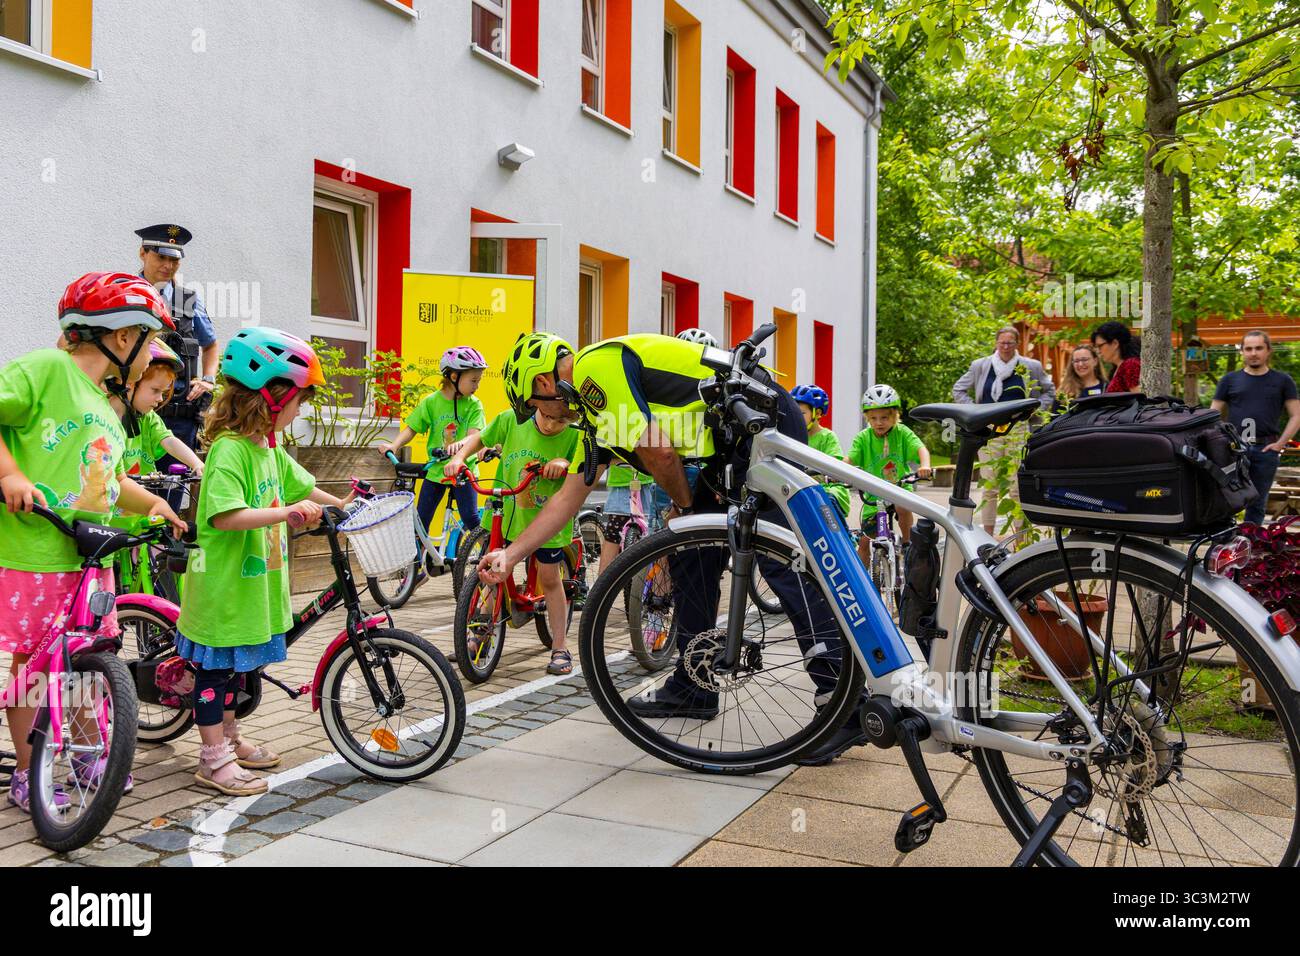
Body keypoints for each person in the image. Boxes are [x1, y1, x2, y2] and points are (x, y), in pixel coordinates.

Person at [478, 331, 865, 765]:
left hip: (759, 417)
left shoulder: (595, 371)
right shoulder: (594, 417)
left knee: (780, 564)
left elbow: (659, 452)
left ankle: (843, 701)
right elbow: (566, 501)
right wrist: (510, 557)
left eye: (533, 403)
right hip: (728, 443)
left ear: (544, 383)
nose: (540, 414)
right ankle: (693, 685)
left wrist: (683, 508)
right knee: (692, 560)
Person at [0, 272, 187, 812]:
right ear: (123, 338)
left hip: (90, 559)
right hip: (35, 555)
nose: (152, 351)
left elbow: (111, 479)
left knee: (88, 660)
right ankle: (27, 769)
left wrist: (149, 502)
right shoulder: (47, 368)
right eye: (149, 339)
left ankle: (85, 754)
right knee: (33, 670)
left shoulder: (107, 406)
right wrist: (11, 474)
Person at [175, 328, 354, 796]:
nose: (301, 411)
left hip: (253, 587)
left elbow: (302, 486)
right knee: (215, 674)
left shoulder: (267, 446)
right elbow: (228, 515)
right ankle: (211, 759)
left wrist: (343, 505)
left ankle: (229, 738)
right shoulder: (231, 450)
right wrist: (287, 514)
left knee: (239, 671)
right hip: (224, 590)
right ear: (272, 398)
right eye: (298, 401)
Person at [445, 406, 580, 675]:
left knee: (550, 579)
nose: (552, 425)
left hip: (547, 521)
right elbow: (481, 438)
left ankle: (560, 646)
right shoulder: (510, 420)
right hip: (507, 512)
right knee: (489, 573)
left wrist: (564, 464)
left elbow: (580, 466)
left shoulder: (574, 435)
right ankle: (479, 634)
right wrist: (460, 457)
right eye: (548, 416)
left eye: (561, 420)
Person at [379, 347, 487, 550]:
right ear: (454, 376)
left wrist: (460, 445)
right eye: (473, 381)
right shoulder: (431, 402)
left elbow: (474, 437)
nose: (477, 386)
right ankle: (417, 568)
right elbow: (412, 428)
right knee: (420, 522)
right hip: (436, 470)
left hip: (464, 470)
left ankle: (490, 554)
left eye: (478, 380)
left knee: (471, 518)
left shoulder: (474, 405)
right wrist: (394, 445)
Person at [952, 326, 1055, 533]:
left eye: (1010, 343)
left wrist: (1036, 409)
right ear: (996, 343)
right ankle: (988, 537)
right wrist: (975, 411)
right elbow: (959, 389)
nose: (1006, 347)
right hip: (989, 429)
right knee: (990, 486)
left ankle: (1021, 539)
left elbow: (1049, 390)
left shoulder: (1030, 366)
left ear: (1017, 344)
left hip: (1018, 429)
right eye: (1002, 343)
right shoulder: (981, 365)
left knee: (1017, 487)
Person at [135, 225, 220, 468]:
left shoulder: (189, 301)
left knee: (173, 490)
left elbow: (211, 345)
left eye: (174, 259)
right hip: (135, 413)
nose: (168, 265)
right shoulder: (128, 293)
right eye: (160, 256)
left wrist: (208, 380)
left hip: (179, 416)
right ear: (143, 253)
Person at [1212, 330, 1300, 525]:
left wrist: (1280, 444)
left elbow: (1296, 415)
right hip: (1233, 449)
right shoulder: (1229, 380)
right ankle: (1225, 548)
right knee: (1226, 501)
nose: (1253, 353)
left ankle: (1252, 548)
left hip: (1266, 450)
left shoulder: (1283, 381)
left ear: (1268, 351)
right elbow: (1213, 414)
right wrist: (1221, 442)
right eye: (1248, 348)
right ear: (1242, 352)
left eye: (1258, 348)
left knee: (1257, 503)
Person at [850, 385, 932, 566]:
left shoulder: (902, 433)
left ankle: (907, 544)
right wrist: (835, 471)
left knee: (902, 506)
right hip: (873, 493)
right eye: (873, 418)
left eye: (884, 417)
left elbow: (920, 449)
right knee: (864, 541)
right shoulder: (863, 438)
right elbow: (849, 459)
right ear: (867, 418)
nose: (879, 422)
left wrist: (925, 466)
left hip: (899, 487)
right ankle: (861, 582)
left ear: (895, 416)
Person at [106, 340, 205, 478]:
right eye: (155, 390)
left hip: (141, 494)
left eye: (163, 392)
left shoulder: (148, 417)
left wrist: (196, 463)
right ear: (129, 382)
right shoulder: (104, 416)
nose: (160, 399)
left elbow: (169, 441)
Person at [791, 384, 850, 518]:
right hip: (802, 489)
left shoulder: (827, 437)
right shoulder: (792, 438)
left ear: (817, 413)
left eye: (801, 414)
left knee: (827, 499)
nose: (796, 418)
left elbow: (835, 466)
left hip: (828, 489)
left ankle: (842, 538)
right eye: (793, 414)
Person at [599, 459, 657, 573]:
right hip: (622, 480)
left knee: (654, 531)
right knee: (613, 533)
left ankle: (653, 585)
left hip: (648, 478)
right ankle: (601, 583)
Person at [1093, 320, 1142, 393]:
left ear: (1115, 343)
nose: (1098, 351)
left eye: (1100, 346)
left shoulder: (1131, 365)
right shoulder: (1118, 368)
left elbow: (1140, 398)